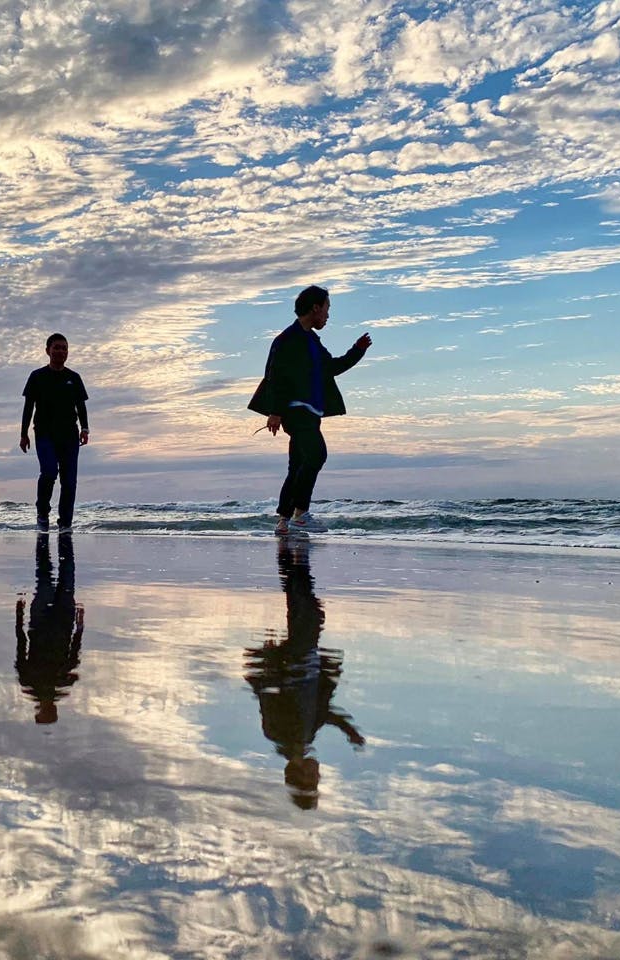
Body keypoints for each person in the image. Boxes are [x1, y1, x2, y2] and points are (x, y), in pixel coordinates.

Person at [243, 539, 365, 809]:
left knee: (307, 609)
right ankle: (293, 556)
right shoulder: (302, 738)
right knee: (307, 609)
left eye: (314, 778)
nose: (319, 773)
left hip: (296, 657)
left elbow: (268, 694)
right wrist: (349, 730)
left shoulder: (281, 735)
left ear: (299, 773)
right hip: (308, 658)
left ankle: (293, 555)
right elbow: (323, 712)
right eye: (317, 779)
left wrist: (275, 663)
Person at [248, 285, 371, 535]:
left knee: (298, 465)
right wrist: (275, 412)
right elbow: (275, 376)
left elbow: (333, 367)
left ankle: (284, 521)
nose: (328, 315)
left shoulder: (311, 341)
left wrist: (357, 350)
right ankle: (301, 515)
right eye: (327, 309)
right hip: (296, 412)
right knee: (317, 455)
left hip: (310, 412)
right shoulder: (287, 339)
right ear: (315, 308)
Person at [20, 333, 89, 532]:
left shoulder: (74, 378)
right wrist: (23, 434)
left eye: (64, 348)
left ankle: (65, 523)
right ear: (48, 350)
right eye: (57, 347)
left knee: (69, 481)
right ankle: (42, 513)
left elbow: (81, 406)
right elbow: (28, 407)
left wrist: (85, 428)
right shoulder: (37, 376)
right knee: (49, 472)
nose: (60, 351)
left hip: (69, 434)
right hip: (44, 434)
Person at [14, 533, 84, 724]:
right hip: (63, 620)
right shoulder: (64, 681)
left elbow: (21, 646)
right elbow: (74, 652)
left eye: (45, 712)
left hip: (40, 621)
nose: (48, 707)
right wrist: (79, 626)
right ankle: (54, 537)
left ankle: (45, 537)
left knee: (45, 575)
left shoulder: (28, 682)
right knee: (66, 571)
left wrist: (19, 617)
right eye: (49, 712)